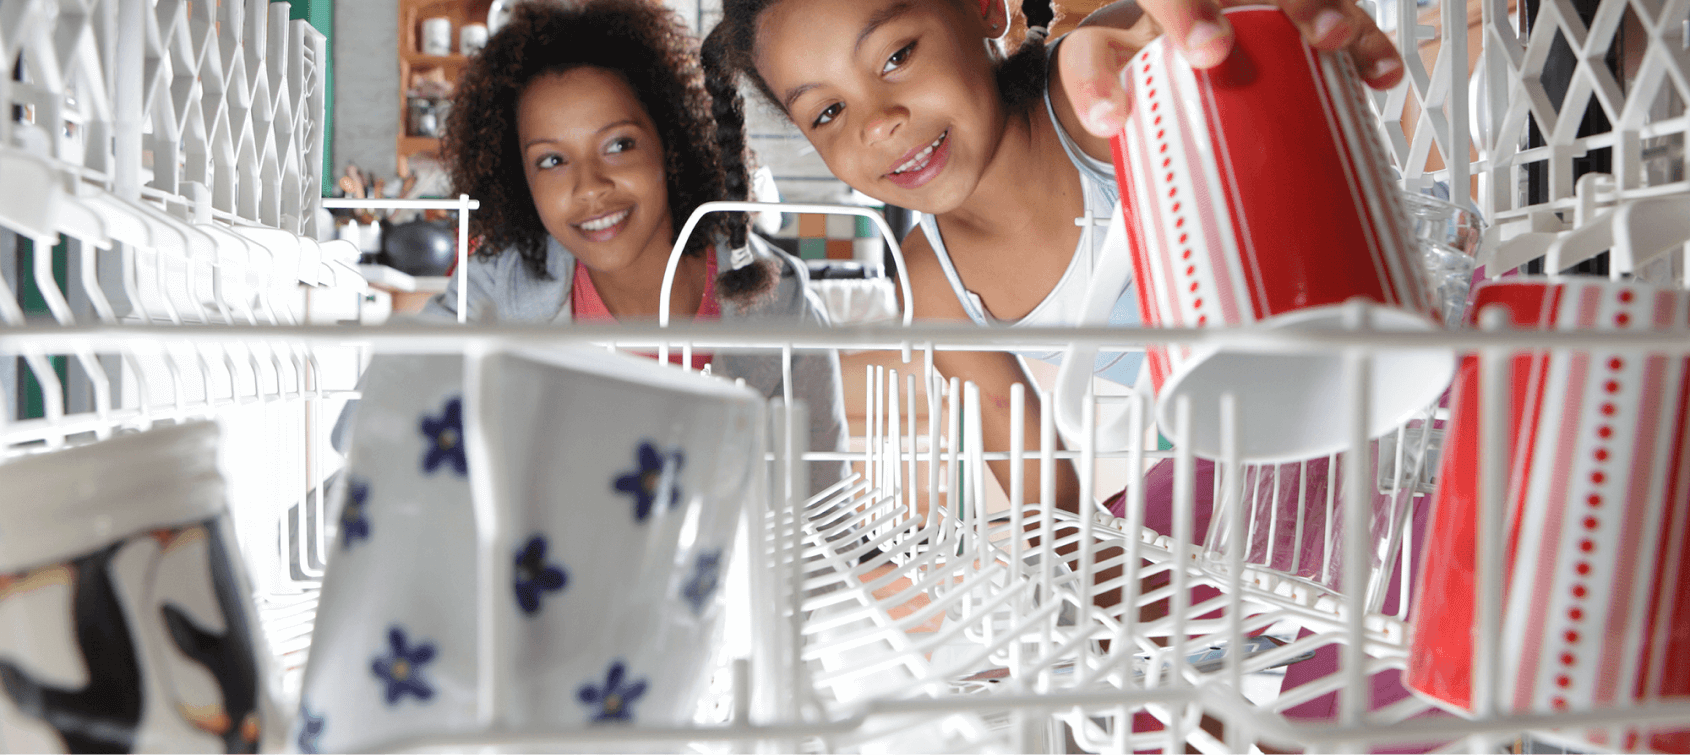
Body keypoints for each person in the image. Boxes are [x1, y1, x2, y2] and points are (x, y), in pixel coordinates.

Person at [424, 0, 849, 491]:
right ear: (520, 180)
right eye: (551, 161)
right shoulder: (494, 289)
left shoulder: (782, 306)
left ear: (670, 140)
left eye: (619, 145)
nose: (588, 187)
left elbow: (822, 514)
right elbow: (370, 436)